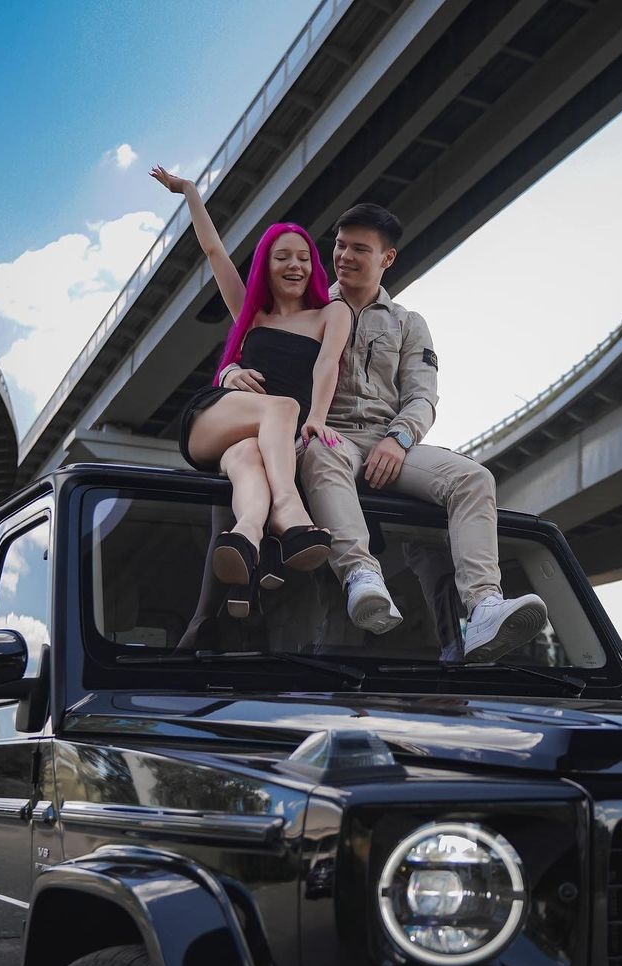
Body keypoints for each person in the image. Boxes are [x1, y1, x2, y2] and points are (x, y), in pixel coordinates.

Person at [219, 202, 547, 661]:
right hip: (327, 433)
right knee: (320, 450)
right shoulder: (308, 305)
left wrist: (400, 438)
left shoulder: (407, 323)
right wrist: (230, 371)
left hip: (388, 440)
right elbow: (256, 340)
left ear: (387, 258)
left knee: (474, 478)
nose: (344, 256)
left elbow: (422, 396)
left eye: (359, 248)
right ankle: (360, 575)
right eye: (339, 245)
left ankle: (483, 606)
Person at [150, 165, 348, 616]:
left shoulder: (331, 315)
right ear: (266, 266)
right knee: (283, 407)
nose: (295, 265)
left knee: (247, 461)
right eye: (282, 257)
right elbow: (214, 251)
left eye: (303, 257)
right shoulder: (252, 314)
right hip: (214, 419)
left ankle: (248, 537)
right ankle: (289, 510)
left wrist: (317, 418)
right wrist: (190, 191)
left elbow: (327, 366)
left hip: (255, 440)